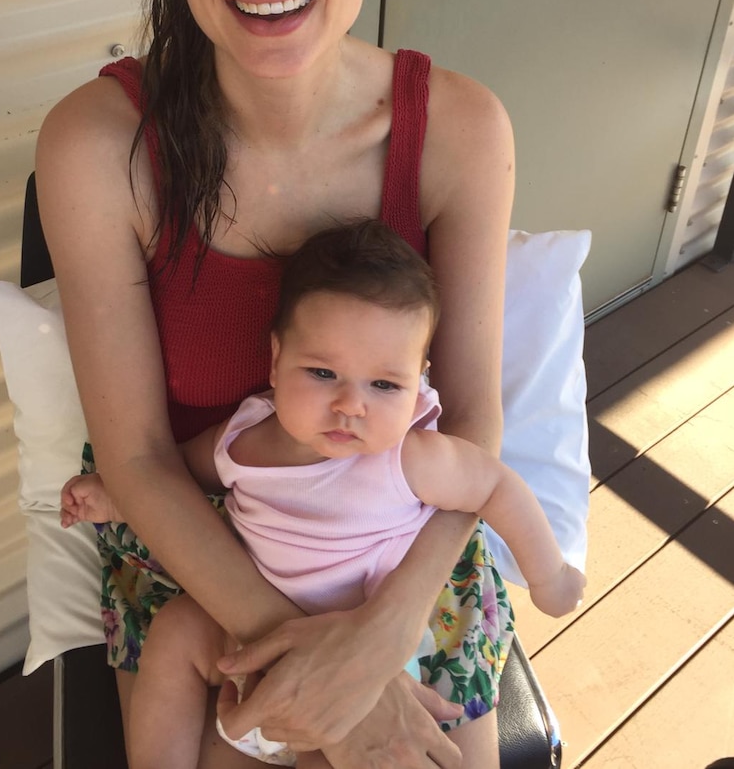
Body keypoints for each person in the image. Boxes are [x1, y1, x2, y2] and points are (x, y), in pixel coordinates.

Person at [36, 0, 518, 769]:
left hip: (396, 541)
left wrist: (381, 642)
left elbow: (473, 419)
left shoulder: (460, 134)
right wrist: (316, 670)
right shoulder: (98, 146)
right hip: (198, 550)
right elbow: (140, 462)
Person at [60, 220, 586, 769]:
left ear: (418, 383)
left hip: (365, 671)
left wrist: (550, 576)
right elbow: (184, 475)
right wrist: (113, 496)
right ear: (276, 359)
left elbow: (496, 487)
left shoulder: (410, 458)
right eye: (321, 372)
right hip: (251, 643)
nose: (350, 404)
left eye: (384, 385)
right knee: (176, 631)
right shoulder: (241, 439)